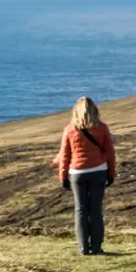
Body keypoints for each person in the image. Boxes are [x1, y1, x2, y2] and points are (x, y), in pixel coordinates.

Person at [54, 97, 119, 256]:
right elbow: (110, 153)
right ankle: (96, 247)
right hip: (98, 171)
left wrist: (62, 176)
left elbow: (65, 156)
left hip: (77, 174)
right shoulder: (102, 128)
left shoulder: (69, 130)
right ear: (94, 110)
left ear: (76, 111)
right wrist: (111, 173)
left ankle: (83, 248)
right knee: (96, 210)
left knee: (81, 209)